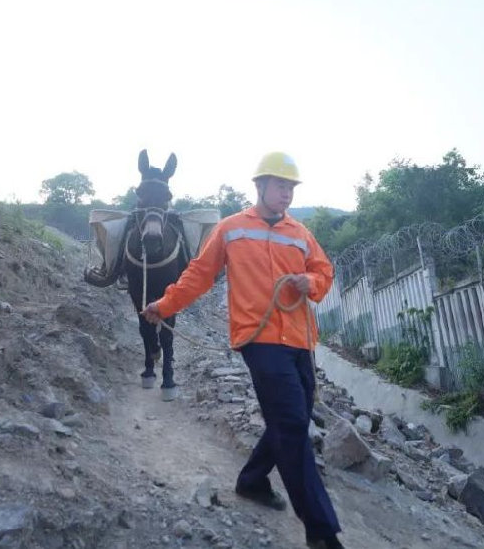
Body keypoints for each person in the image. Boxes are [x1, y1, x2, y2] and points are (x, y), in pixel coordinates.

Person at [141, 152, 344, 549]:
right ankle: (322, 531)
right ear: (261, 185)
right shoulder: (231, 229)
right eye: (280, 186)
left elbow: (325, 271)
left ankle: (251, 481)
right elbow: (198, 275)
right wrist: (163, 307)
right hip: (260, 339)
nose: (286, 194)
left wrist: (309, 281)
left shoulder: (301, 233)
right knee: (290, 425)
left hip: (300, 340)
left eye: (291, 188)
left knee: (295, 419)